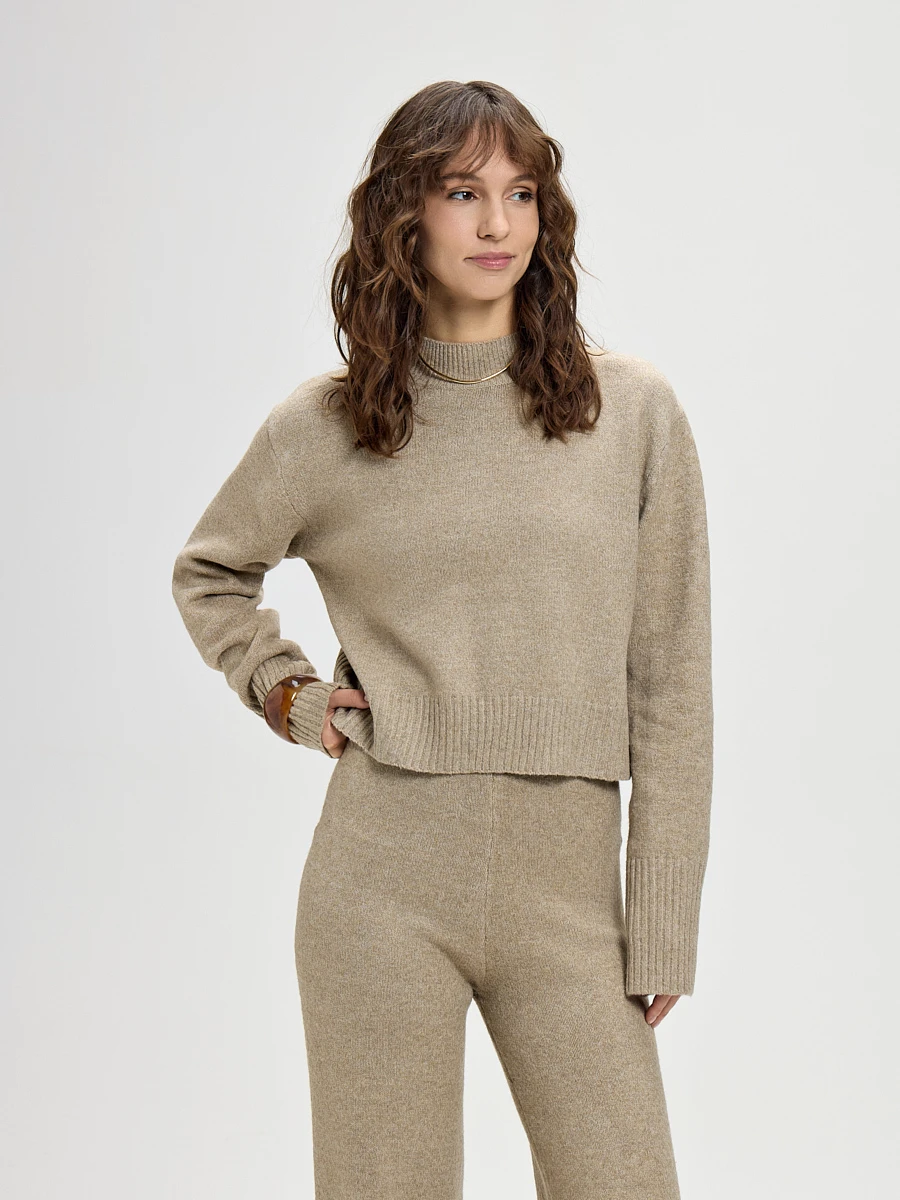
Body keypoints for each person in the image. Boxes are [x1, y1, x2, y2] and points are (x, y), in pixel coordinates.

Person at [171, 78, 713, 1200]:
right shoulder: (328, 427)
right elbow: (210, 572)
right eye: (463, 192)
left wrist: (662, 917)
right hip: (379, 886)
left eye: (521, 192)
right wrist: (291, 696)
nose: (497, 222)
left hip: (574, 899)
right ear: (404, 214)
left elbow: (671, 680)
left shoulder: (632, 414)